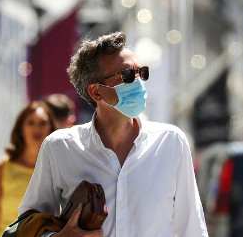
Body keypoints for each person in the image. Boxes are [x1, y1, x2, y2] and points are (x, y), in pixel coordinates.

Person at [19, 31, 208, 236]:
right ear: (96, 92)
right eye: (127, 76)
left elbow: (192, 228)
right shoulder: (59, 148)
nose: (138, 82)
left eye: (140, 73)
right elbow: (28, 223)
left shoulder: (171, 142)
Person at [0, 101, 58, 237]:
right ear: (20, 127)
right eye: (30, 122)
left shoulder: (58, 169)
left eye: (42, 123)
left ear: (51, 128)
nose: (36, 128)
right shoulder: (2, 169)